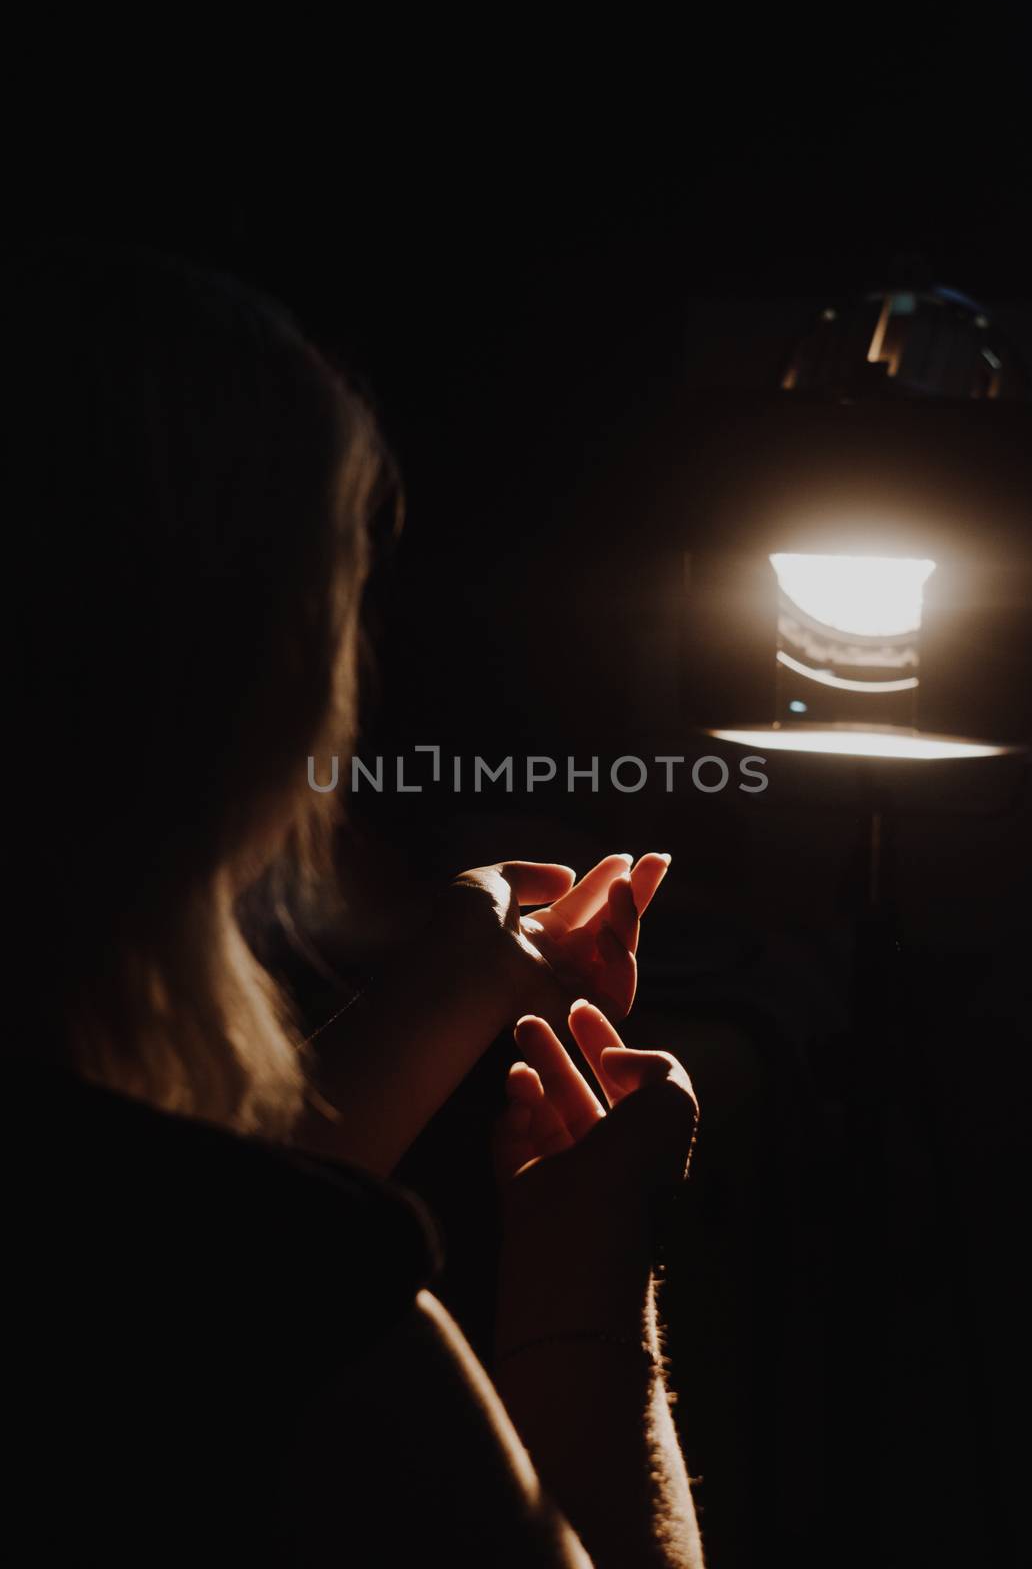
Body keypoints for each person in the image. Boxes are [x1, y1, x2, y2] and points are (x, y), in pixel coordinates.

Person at [8, 242, 704, 1567]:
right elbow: (213, 1276)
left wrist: (455, 979)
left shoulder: (121, 1232)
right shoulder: (335, 1332)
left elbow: (157, 1271)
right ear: (249, 697)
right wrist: (588, 1298)